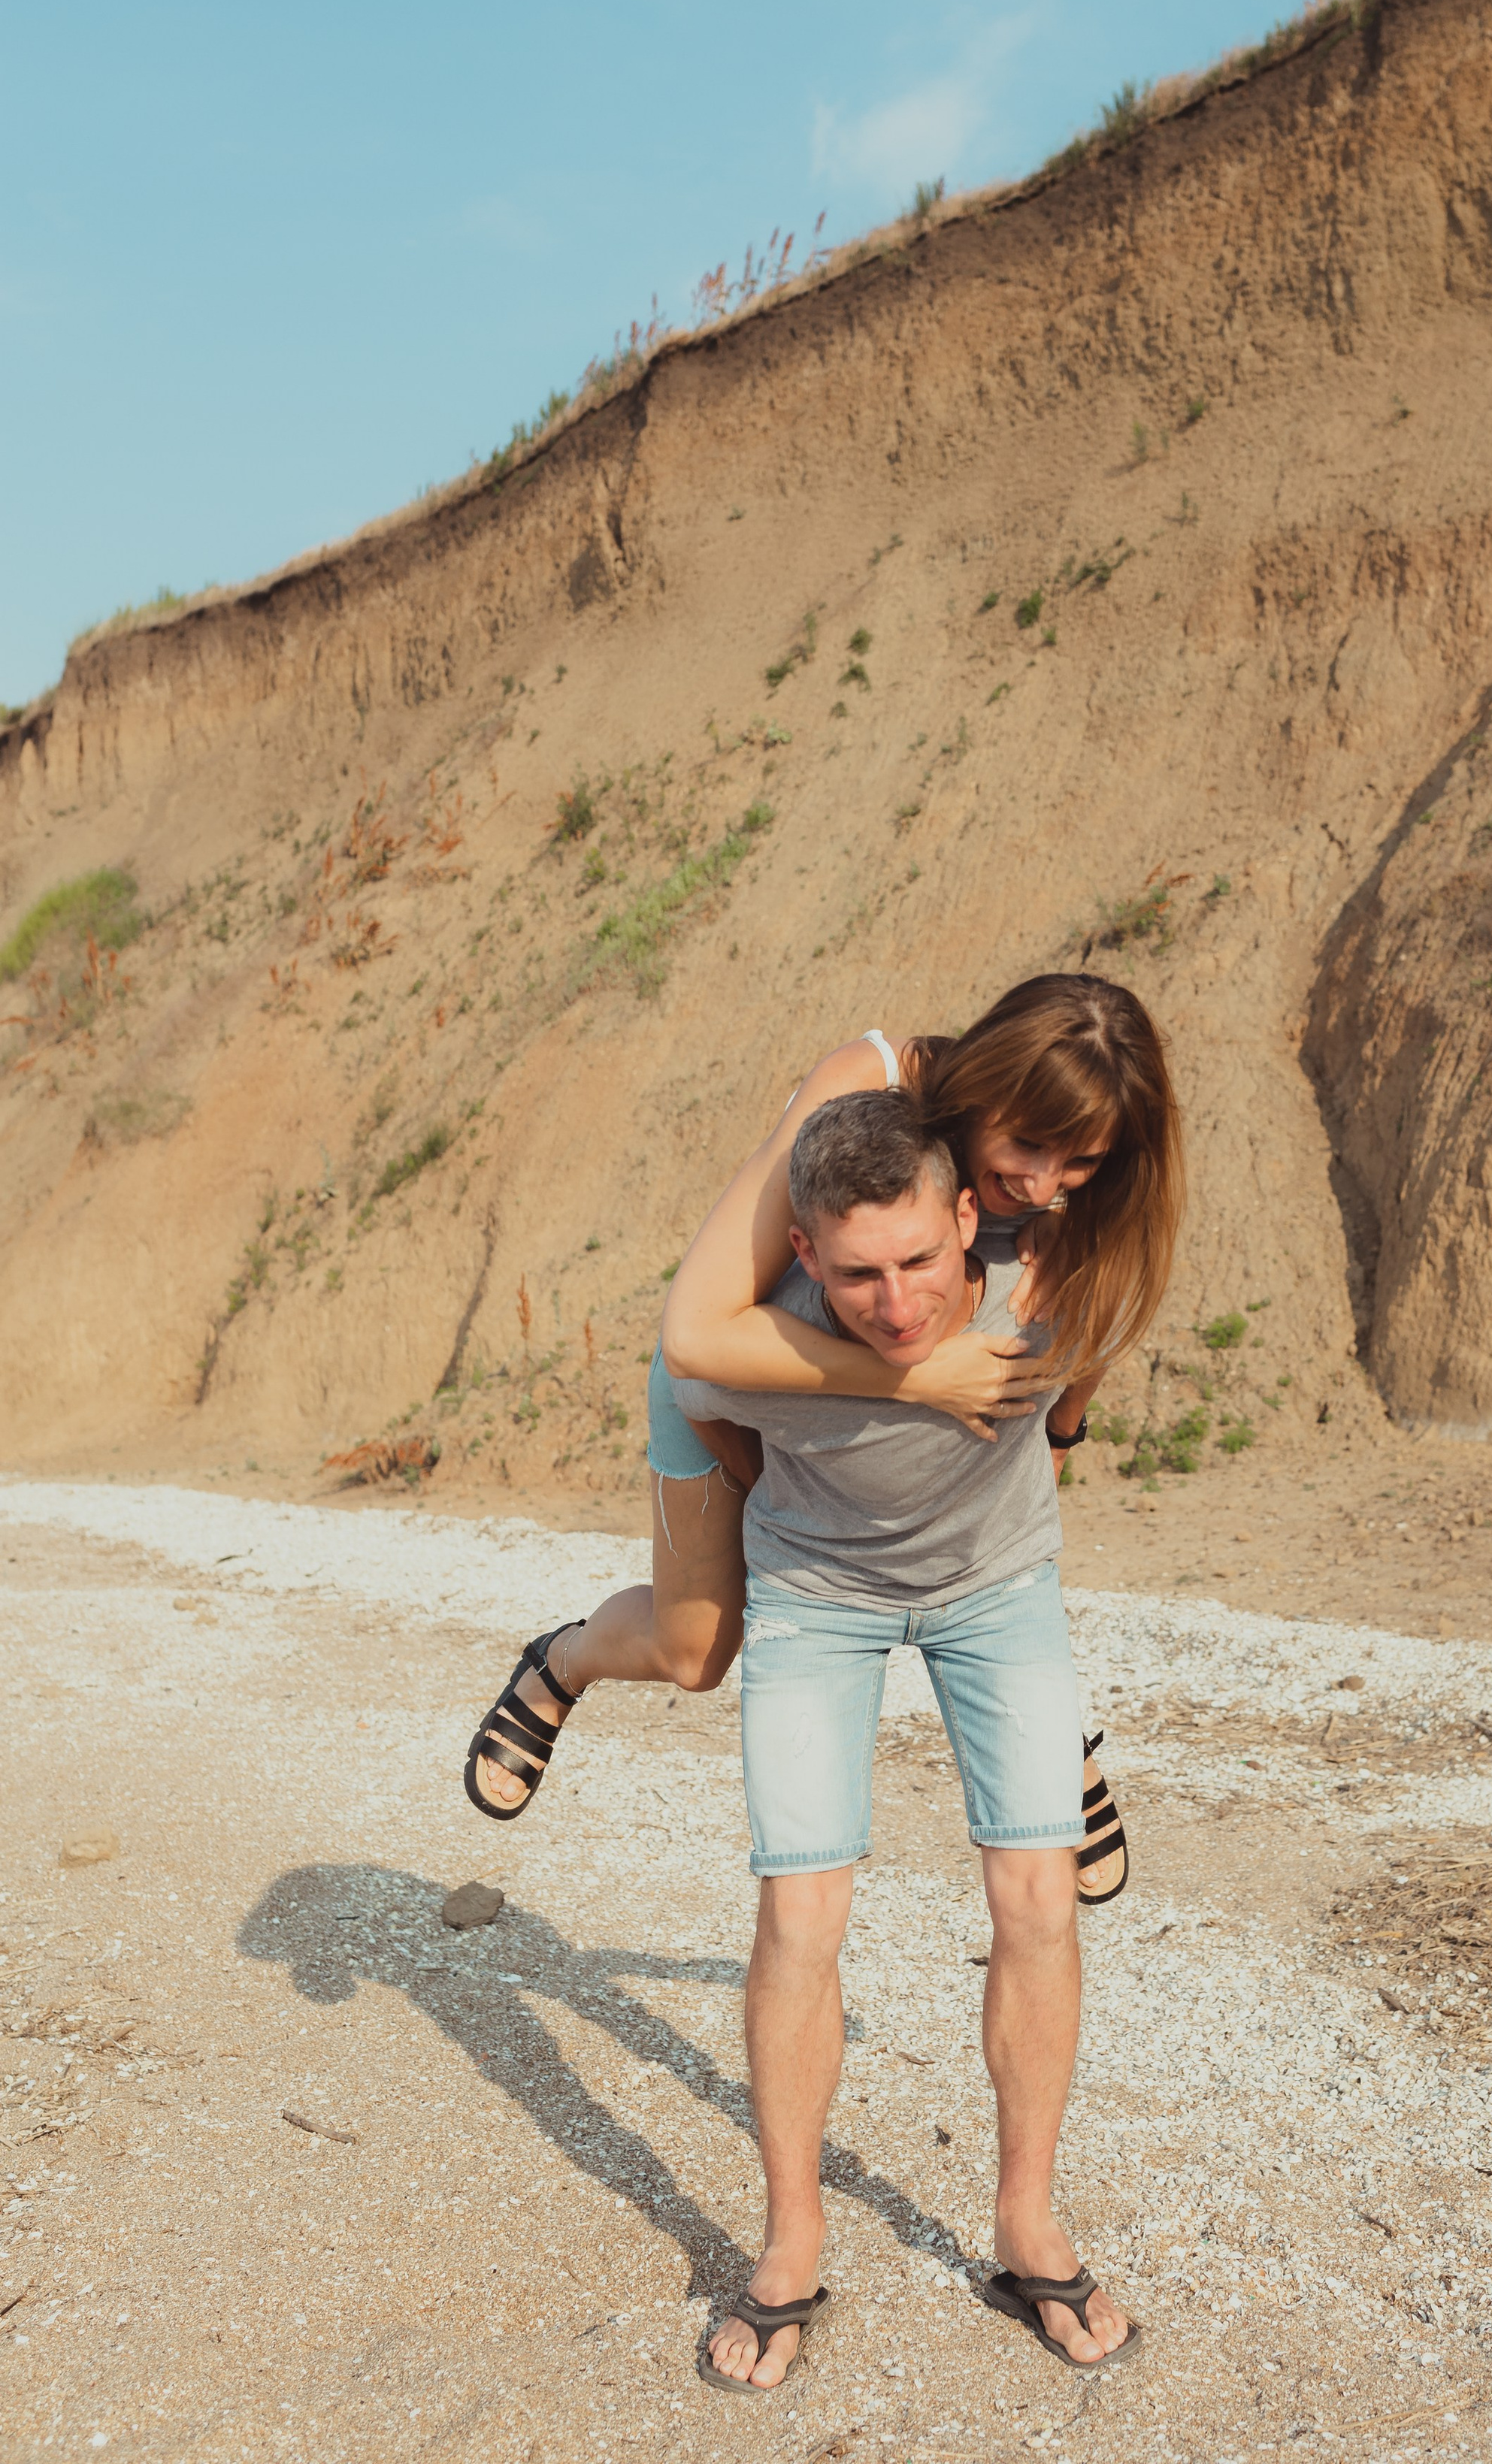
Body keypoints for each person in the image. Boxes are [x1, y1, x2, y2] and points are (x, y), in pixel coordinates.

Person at [462, 974, 1184, 1905]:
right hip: (752, 1368)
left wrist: (1060, 1431)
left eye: (1078, 1163)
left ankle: (1050, 1748)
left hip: (927, 1367)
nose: (1044, 1187)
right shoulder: (863, 1082)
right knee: (696, 1655)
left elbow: (1104, 1301)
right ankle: (560, 1662)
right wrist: (916, 1379)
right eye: (1028, 1147)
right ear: (985, 1088)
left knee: (994, 1589)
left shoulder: (1084, 1177)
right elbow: (700, 1335)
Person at [680, 1087, 1141, 2392]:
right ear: (810, 1255)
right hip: (818, 1601)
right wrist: (792, 1501)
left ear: (964, 1216)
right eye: (860, 1275)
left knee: (1039, 1899)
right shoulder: (755, 1342)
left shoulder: (1039, 1269)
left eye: (921, 1264)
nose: (893, 1305)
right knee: (799, 1916)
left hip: (1000, 1591)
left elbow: (1090, 1345)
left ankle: (1026, 2219)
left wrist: (1061, 1432)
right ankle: (789, 2242)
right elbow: (699, 1397)